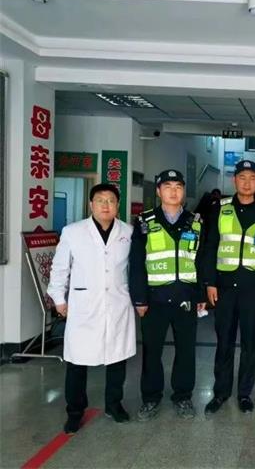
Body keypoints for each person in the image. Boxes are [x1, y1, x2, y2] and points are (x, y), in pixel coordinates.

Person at [47, 183, 135, 434]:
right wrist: (59, 299)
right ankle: (75, 412)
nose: (106, 205)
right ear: (90, 204)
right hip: (84, 305)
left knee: (117, 358)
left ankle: (114, 405)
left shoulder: (128, 232)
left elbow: (135, 269)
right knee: (77, 361)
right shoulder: (73, 232)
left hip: (118, 303)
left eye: (111, 201)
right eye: (100, 200)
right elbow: (60, 268)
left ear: (118, 205)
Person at [202, 160, 255, 414]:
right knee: (224, 341)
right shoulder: (220, 209)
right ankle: (220, 392)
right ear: (234, 180)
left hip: (254, 288)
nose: (247, 183)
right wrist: (209, 282)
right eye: (242, 178)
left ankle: (245, 393)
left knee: (250, 343)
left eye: (252, 178)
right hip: (224, 287)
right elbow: (209, 246)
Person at [129, 169, 206, 421]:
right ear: (159, 191)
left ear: (183, 191)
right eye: (168, 187)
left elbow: (201, 261)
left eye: (178, 187)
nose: (173, 192)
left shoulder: (196, 222)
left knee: (186, 351)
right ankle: (151, 398)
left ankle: (183, 396)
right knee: (152, 352)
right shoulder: (144, 222)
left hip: (186, 297)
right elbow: (137, 262)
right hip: (155, 299)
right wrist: (139, 298)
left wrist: (201, 295)